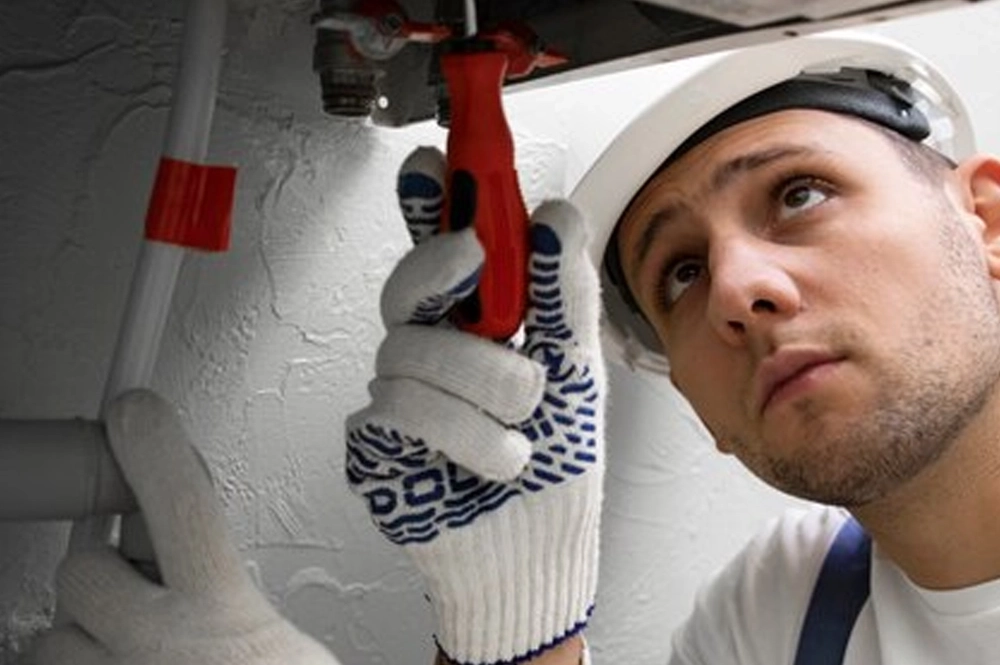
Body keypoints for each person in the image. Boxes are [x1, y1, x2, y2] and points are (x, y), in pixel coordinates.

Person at [30, 28, 1000, 665]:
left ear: (986, 222)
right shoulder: (786, 613)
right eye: (680, 273)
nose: (739, 291)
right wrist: (516, 624)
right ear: (703, 413)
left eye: (798, 193)